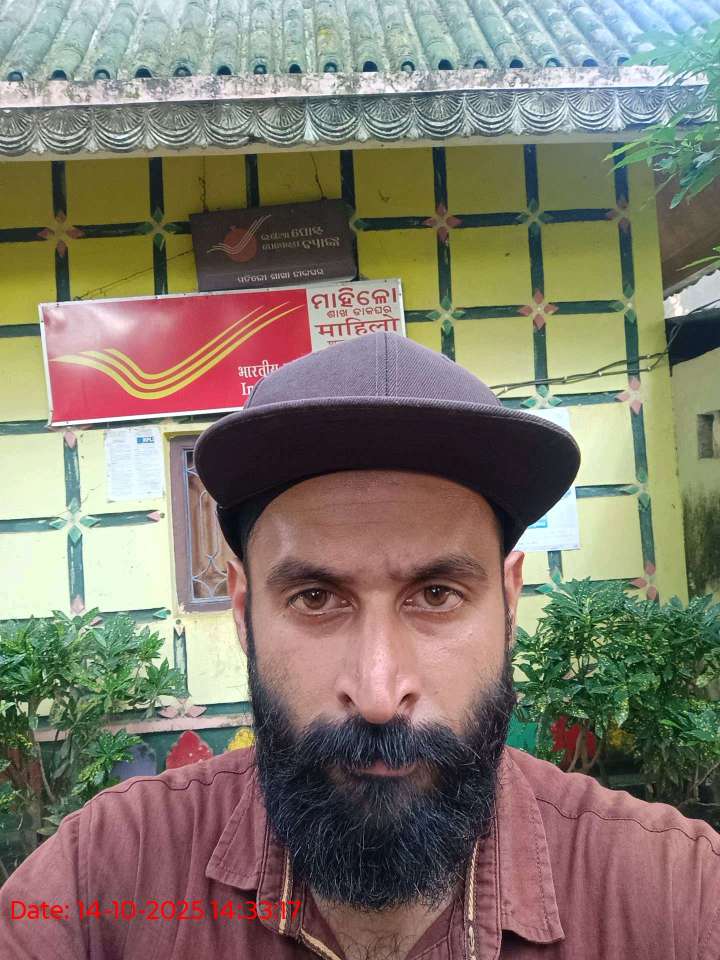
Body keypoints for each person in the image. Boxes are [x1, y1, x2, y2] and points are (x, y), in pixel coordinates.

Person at [1, 331, 719, 960]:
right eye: (316, 598)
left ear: (508, 602)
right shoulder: (103, 879)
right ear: (244, 611)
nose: (378, 694)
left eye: (436, 594)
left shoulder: (676, 897)